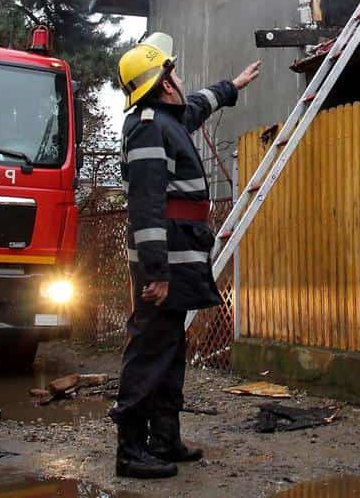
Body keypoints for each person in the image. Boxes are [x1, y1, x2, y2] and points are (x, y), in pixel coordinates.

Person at [110, 32, 262, 479]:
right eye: (170, 69)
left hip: (180, 250)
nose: (177, 75)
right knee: (151, 347)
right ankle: (130, 450)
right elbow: (147, 204)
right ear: (161, 81)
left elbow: (195, 106)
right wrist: (156, 273)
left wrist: (233, 85)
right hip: (165, 258)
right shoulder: (146, 127)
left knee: (171, 346)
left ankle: (164, 438)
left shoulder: (165, 120)